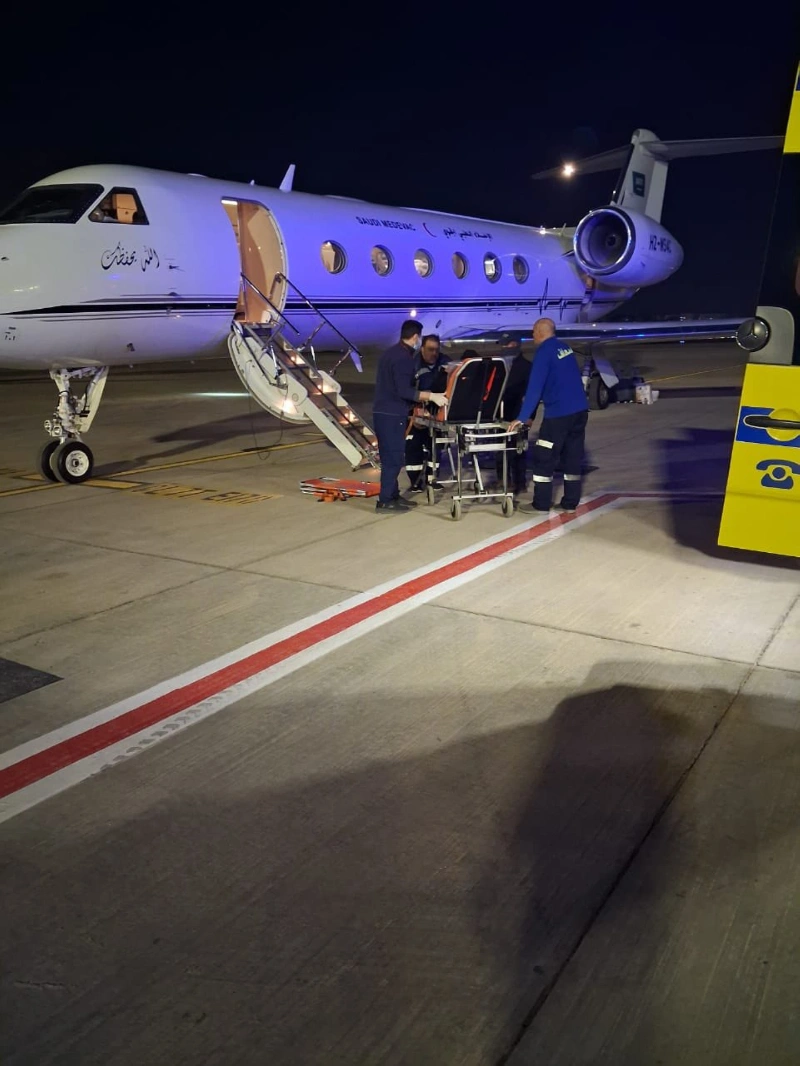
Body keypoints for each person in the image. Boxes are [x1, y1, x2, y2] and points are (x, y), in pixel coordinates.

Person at [508, 317, 588, 512]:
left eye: (533, 331)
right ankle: (570, 503)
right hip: (579, 412)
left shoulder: (544, 353)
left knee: (544, 457)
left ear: (540, 332)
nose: (532, 334)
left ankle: (541, 503)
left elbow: (535, 388)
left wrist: (522, 417)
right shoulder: (565, 348)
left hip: (559, 415)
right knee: (572, 457)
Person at [373, 320, 448, 512]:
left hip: (383, 411)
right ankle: (385, 500)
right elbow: (404, 391)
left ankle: (393, 495)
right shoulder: (404, 358)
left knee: (390, 456)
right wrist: (431, 396)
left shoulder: (390, 353)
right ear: (415, 337)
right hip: (392, 414)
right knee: (393, 458)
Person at [405, 333, 450, 491]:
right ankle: (415, 481)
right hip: (416, 412)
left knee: (436, 446)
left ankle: (432, 478)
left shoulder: (446, 362)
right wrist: (414, 412)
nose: (434, 353)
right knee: (413, 446)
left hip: (437, 411)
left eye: (436, 350)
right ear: (422, 348)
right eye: (430, 349)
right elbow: (406, 391)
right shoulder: (412, 365)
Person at [494, 333, 533, 495]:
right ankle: (503, 479)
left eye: (507, 344)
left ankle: (520, 482)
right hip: (500, 414)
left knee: (518, 449)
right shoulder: (498, 365)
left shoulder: (527, 367)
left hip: (519, 413)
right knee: (500, 448)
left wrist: (530, 415)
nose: (504, 348)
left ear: (515, 344)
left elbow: (532, 393)